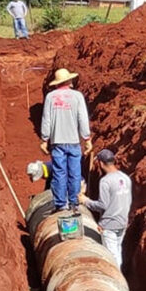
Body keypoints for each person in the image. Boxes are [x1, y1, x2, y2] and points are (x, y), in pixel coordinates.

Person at [40, 68, 93, 213]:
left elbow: (47, 120)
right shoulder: (77, 96)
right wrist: (87, 138)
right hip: (74, 142)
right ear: (69, 81)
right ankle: (74, 203)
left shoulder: (51, 97)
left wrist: (45, 139)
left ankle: (60, 204)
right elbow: (82, 118)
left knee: (59, 173)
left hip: (57, 142)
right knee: (75, 173)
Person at [80, 149, 132, 269]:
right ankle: (120, 278)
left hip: (110, 225)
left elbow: (102, 205)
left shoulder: (105, 181)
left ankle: (117, 282)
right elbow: (127, 201)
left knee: (111, 258)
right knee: (117, 253)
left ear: (101, 163)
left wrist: (85, 201)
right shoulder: (125, 178)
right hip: (122, 222)